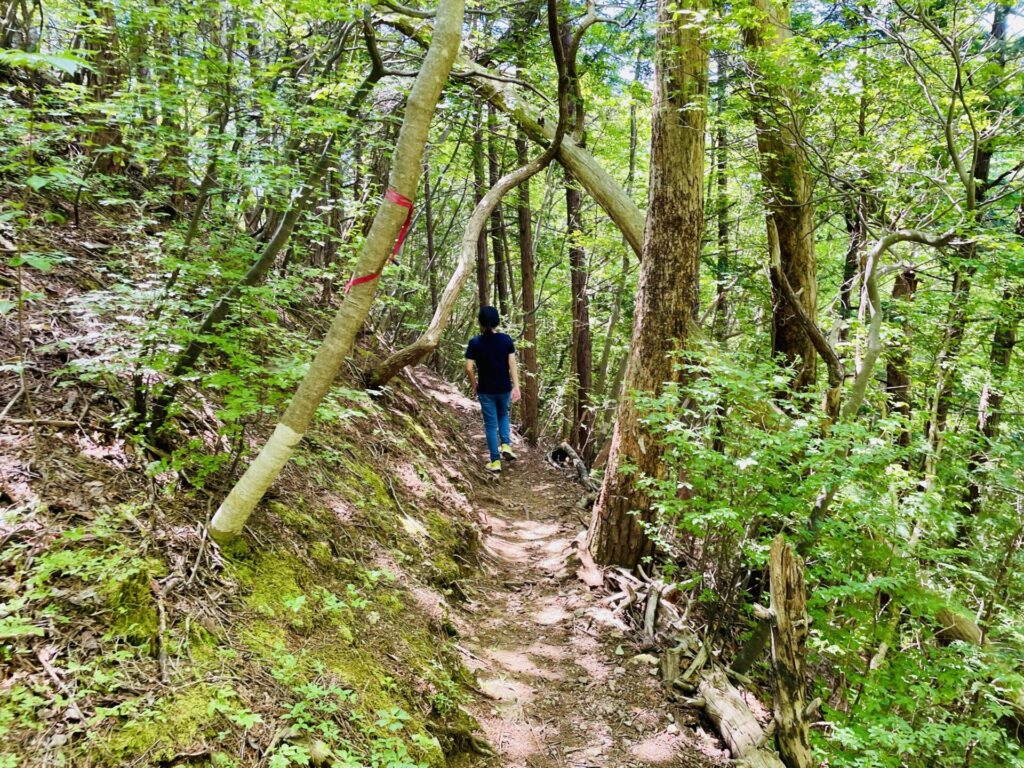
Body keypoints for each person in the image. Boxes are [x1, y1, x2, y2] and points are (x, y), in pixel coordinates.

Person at [465, 306, 521, 473]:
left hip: (486, 389)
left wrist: (475, 384)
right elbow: (512, 364)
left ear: (480, 323)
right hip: (504, 387)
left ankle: (495, 461)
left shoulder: (474, 342)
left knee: (490, 425)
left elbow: (468, 368)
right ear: (497, 321)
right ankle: (506, 445)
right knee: (503, 415)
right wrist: (516, 386)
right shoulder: (506, 340)